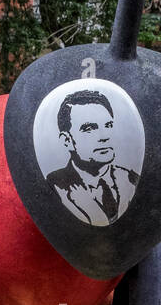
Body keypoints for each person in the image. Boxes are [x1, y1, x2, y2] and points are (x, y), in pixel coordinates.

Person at [47, 89, 139, 225]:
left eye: (108, 125)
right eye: (89, 128)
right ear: (67, 140)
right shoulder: (54, 186)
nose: (104, 136)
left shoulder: (131, 179)